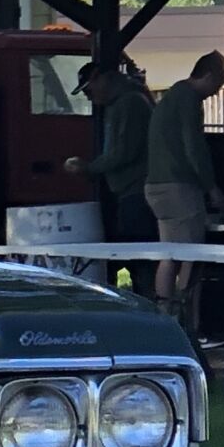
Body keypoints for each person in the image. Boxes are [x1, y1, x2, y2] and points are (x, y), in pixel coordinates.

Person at [143, 51, 224, 315]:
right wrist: (211, 187)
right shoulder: (189, 100)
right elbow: (194, 146)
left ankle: (165, 313)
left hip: (156, 186)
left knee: (169, 254)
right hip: (179, 186)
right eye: (218, 84)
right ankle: (187, 316)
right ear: (209, 75)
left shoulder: (171, 96)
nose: (216, 92)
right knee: (193, 254)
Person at [66, 61, 155, 295]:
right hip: (128, 191)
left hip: (136, 192)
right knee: (132, 258)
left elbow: (125, 150)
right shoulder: (124, 103)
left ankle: (146, 306)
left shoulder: (130, 103)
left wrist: (90, 168)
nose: (88, 96)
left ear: (100, 78)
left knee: (140, 259)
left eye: (88, 89)